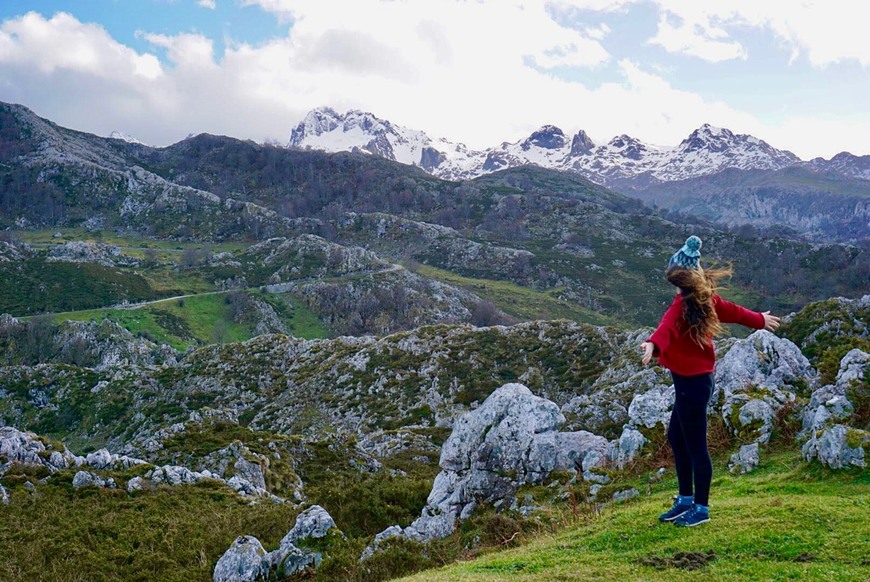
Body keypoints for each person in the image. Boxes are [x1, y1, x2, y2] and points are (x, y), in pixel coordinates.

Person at [640, 235, 780, 527]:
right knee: (677, 438)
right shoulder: (701, 300)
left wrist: (652, 345)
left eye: (675, 280)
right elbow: (736, 312)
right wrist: (759, 319)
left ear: (684, 279)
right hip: (693, 382)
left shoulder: (684, 305)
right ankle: (685, 500)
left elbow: (665, 328)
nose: (674, 286)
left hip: (693, 384)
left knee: (695, 446)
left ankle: (700, 508)